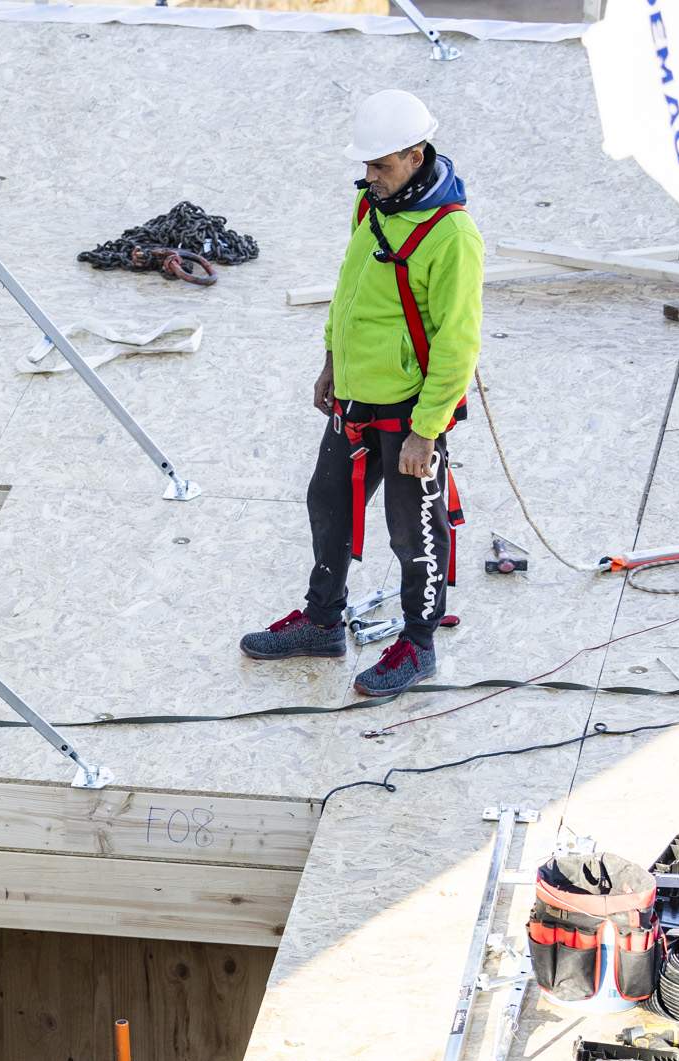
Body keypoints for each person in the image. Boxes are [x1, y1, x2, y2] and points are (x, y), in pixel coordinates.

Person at [241, 88, 485, 699]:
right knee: (328, 506)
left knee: (414, 532)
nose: (370, 178)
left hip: (408, 414)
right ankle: (323, 621)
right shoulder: (371, 206)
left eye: (381, 166)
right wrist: (331, 363)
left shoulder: (451, 236)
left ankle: (418, 645)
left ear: (416, 154)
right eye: (366, 167)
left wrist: (427, 431)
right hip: (354, 401)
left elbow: (458, 344)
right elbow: (350, 294)